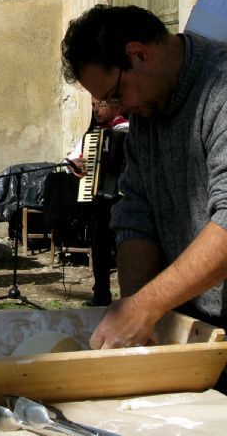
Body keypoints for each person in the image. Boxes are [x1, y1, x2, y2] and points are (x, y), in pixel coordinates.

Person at [60, 4, 227, 434]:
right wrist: (135, 306)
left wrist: (144, 306)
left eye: (112, 94)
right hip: (206, 330)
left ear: (139, 55)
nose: (111, 107)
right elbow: (137, 211)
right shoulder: (149, 109)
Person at [65, 97, 128, 306]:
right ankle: (101, 294)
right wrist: (76, 166)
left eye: (100, 105)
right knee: (99, 246)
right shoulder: (92, 134)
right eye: (93, 106)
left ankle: (130, 298)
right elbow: (71, 162)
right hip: (99, 201)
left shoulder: (129, 130)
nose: (96, 110)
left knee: (125, 248)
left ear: (118, 106)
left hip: (124, 200)